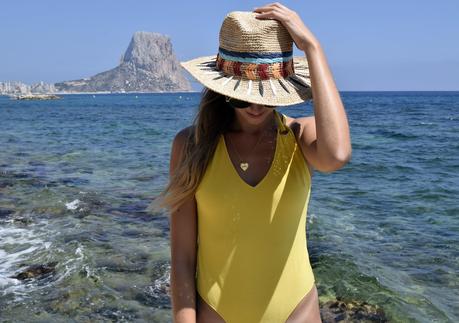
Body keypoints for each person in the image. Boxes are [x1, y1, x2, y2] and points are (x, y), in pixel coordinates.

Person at [154, 3, 351, 322]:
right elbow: (182, 258)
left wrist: (312, 47)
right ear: (221, 89)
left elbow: (338, 154)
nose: (256, 107)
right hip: (216, 313)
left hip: (296, 312)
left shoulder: (300, 136)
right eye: (243, 95)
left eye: (266, 95)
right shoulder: (191, 146)